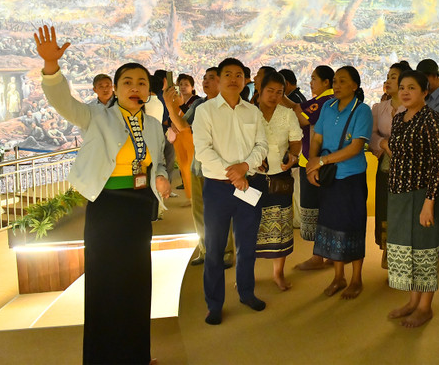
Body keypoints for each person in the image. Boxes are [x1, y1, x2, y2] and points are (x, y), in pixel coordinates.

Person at [34, 25, 170, 364]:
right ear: (116, 89)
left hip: (139, 210)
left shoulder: (153, 125)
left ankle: (137, 355)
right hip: (107, 208)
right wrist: (52, 68)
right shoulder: (97, 116)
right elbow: (63, 102)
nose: (135, 87)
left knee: (137, 283)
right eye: (127, 82)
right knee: (105, 285)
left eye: (142, 83)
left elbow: (158, 165)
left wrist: (163, 179)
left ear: (149, 90)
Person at [192, 57, 269, 325]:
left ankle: (247, 293)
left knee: (247, 246)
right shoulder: (205, 111)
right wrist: (233, 173)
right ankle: (214, 304)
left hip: (249, 183)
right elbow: (203, 151)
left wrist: (246, 167)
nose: (234, 79)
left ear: (245, 79)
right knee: (214, 249)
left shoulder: (253, 111)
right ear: (218, 79)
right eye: (228, 74)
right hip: (217, 188)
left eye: (239, 74)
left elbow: (262, 145)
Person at [386, 70, 439, 328]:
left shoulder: (432, 119)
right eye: (402, 87)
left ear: (425, 92)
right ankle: (412, 302)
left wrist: (429, 202)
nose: (404, 91)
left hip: (423, 195)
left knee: (424, 248)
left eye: (412, 87)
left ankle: (425, 307)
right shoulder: (399, 118)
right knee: (406, 248)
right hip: (399, 194)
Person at [306, 66, 373, 299]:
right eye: (335, 80)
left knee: (352, 227)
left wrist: (320, 161)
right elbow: (317, 138)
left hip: (350, 179)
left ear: (355, 86)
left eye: (342, 81)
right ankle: (338, 277)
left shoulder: (362, 110)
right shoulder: (328, 106)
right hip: (329, 178)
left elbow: (356, 148)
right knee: (331, 226)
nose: (336, 85)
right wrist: (312, 164)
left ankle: (356, 279)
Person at [163, 69, 234, 268]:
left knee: (221, 211)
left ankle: (227, 251)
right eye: (204, 78)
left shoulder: (230, 104)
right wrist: (170, 106)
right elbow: (183, 126)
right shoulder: (199, 104)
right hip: (199, 166)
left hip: (221, 169)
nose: (206, 81)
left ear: (222, 81)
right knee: (200, 210)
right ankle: (205, 249)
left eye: (212, 78)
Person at [254, 71, 303, 291]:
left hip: (279, 178)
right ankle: (247, 274)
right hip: (252, 178)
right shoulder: (248, 112)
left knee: (281, 227)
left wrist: (292, 156)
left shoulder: (287, 114)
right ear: (259, 90)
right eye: (270, 91)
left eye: (279, 92)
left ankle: (278, 274)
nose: (274, 96)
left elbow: (296, 141)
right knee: (249, 227)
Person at [290, 65, 335, 271]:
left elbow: (301, 118)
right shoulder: (322, 100)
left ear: (326, 82)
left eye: (314, 78)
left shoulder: (325, 100)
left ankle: (319, 256)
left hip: (314, 161)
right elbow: (299, 109)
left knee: (318, 211)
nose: (311, 82)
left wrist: (292, 105)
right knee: (324, 210)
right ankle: (328, 254)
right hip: (319, 161)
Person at [370, 61, 410, 269]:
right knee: (386, 208)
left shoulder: (413, 107)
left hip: (408, 169)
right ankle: (388, 252)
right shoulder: (379, 108)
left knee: (404, 210)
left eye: (393, 76)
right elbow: (372, 135)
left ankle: (405, 255)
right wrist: (383, 143)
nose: (388, 80)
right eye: (388, 76)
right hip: (385, 165)